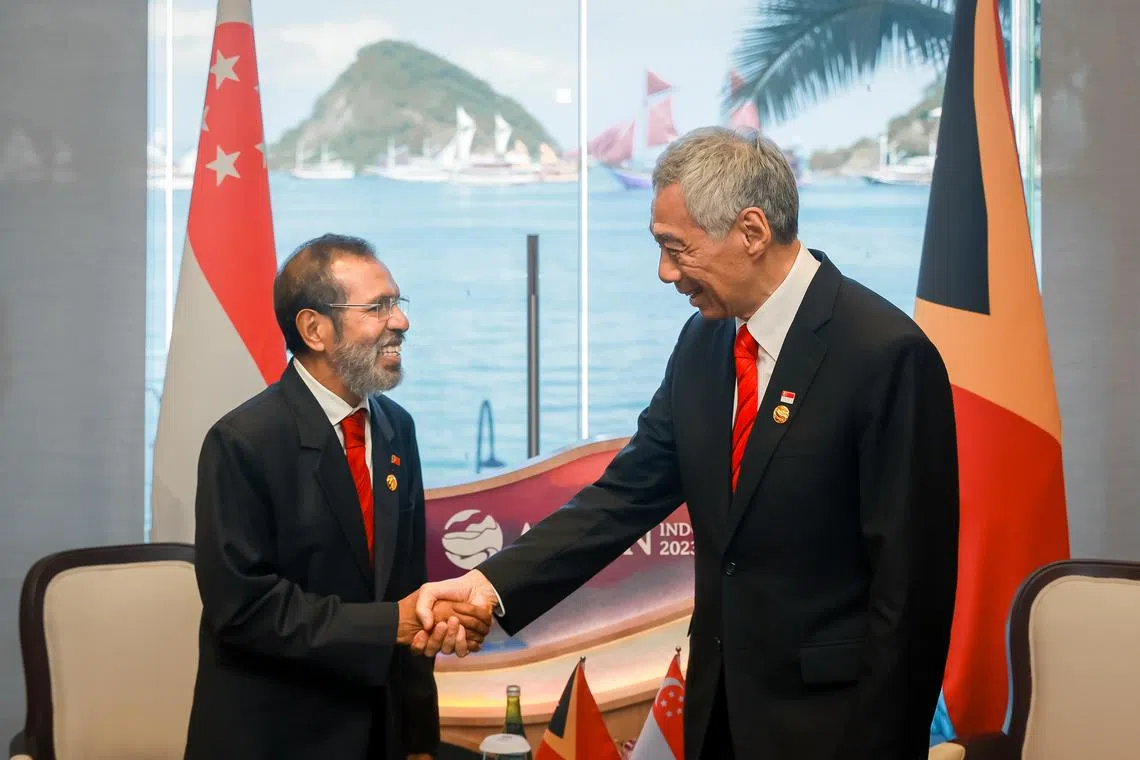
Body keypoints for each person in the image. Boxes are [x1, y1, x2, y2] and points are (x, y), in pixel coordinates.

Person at [411, 129, 959, 759]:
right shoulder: (705, 344)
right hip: (716, 716)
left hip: (832, 727)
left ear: (751, 232)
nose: (665, 273)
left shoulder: (885, 354)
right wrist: (488, 587)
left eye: (677, 250)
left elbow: (912, 587)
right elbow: (623, 497)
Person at [185, 233, 492, 760]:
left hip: (381, 733)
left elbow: (407, 588)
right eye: (378, 307)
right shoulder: (243, 442)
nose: (401, 322)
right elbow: (243, 609)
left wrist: (418, 737)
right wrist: (393, 623)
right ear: (314, 329)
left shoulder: (397, 429)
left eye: (397, 303)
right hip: (276, 737)